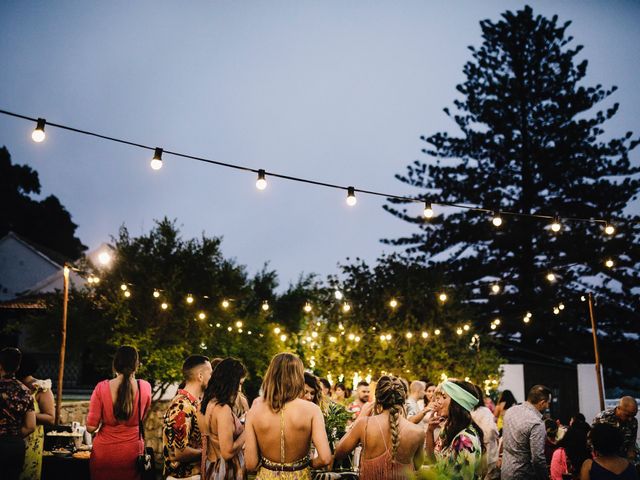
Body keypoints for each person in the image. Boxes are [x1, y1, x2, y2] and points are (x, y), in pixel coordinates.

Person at [244, 352, 332, 479]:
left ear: (271, 375)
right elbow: (325, 458)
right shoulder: (312, 410)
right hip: (300, 475)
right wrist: (308, 464)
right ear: (298, 377)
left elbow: (251, 464)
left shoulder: (254, 412)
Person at [335, 375, 425, 479]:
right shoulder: (418, 432)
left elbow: (339, 453)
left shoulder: (364, 425)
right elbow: (418, 466)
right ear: (403, 400)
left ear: (377, 399)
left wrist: (360, 417)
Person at [87, 345, 152, 480]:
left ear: (115, 364)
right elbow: (142, 418)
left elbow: (91, 427)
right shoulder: (145, 387)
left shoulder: (101, 387)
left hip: (104, 454)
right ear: (136, 365)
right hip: (132, 453)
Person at [163, 355, 213, 479]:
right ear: (200, 376)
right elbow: (180, 452)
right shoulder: (182, 406)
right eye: (211, 374)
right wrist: (209, 452)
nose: (213, 378)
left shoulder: (193, 403)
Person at [425, 379, 484, 480]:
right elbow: (433, 460)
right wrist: (429, 431)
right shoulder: (447, 428)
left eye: (444, 397)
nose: (438, 401)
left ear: (457, 403)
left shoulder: (464, 440)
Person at [200, 357, 248, 480]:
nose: (239, 389)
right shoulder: (222, 409)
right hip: (225, 471)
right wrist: (247, 430)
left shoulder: (210, 403)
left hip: (213, 465)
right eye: (240, 384)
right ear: (231, 382)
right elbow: (227, 452)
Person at [500, 384, 551, 480]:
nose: (548, 406)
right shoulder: (536, 423)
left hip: (506, 471)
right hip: (523, 474)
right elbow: (538, 459)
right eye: (548, 403)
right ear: (542, 402)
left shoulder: (510, 411)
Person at [17, 353, 55, 480]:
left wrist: (27, 413)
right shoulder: (11, 385)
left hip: (31, 440)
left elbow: (50, 417)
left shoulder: (41, 388)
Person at [0, 347, 36, 480]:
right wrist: (13, 436)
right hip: (15, 447)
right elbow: (30, 426)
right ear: (18, 366)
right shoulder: (25, 391)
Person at [592, 397, 638, 461]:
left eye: (633, 415)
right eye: (627, 415)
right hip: (605, 459)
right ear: (619, 408)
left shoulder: (633, 421)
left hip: (624, 458)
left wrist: (631, 452)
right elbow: (591, 440)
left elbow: (632, 441)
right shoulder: (603, 418)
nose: (630, 419)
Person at [470, 384, 500, 479]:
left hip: (473, 449)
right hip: (487, 449)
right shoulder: (484, 411)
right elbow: (491, 429)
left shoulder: (467, 411)